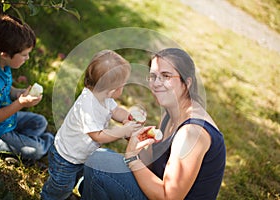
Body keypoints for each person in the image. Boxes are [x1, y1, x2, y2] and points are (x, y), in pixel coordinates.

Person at [80, 48, 226, 199]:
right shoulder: (172, 113)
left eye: (166, 76)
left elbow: (168, 197)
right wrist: (136, 139)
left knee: (98, 164)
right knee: (98, 170)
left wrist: (132, 159)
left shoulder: (191, 133)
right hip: (156, 190)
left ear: (186, 83)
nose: (156, 83)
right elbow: (154, 168)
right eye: (153, 76)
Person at [41, 50, 142, 200]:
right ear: (112, 91)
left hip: (82, 156)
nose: (123, 88)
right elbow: (97, 135)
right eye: (123, 86)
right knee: (60, 186)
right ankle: (51, 197)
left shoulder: (103, 96)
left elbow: (116, 111)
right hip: (66, 157)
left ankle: (65, 194)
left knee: (72, 180)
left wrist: (128, 117)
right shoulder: (87, 105)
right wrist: (122, 131)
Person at [0, 15, 54, 161]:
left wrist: (16, 93)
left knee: (40, 122)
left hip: (8, 121)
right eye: (24, 55)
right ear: (5, 54)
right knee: (35, 150)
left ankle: (20, 145)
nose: (27, 58)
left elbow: (5, 88)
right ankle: (46, 144)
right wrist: (20, 103)